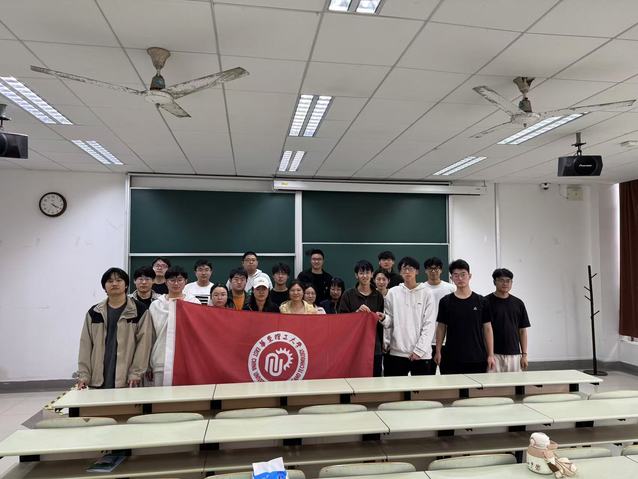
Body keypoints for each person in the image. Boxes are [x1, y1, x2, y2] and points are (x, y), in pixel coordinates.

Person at [77, 267, 152, 389]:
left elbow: (144, 344)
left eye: (119, 280)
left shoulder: (139, 310)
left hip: (127, 378)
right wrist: (84, 375)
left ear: (126, 285)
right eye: (110, 281)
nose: (114, 284)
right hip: (98, 376)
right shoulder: (94, 312)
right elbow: (85, 345)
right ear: (104, 287)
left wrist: (136, 373)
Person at [434, 259, 496, 374]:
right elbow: (441, 328)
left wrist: (491, 355)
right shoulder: (445, 301)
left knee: (477, 386)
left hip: (477, 357)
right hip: (451, 358)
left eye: (463, 274)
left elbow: (487, 328)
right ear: (451, 278)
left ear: (469, 276)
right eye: (456, 275)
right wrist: (438, 351)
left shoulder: (482, 301)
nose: (460, 278)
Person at [381, 257, 436, 377]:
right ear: (400, 272)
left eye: (410, 269)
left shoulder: (427, 293)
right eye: (404, 269)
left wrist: (419, 350)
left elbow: (429, 324)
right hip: (397, 352)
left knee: (421, 388)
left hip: (422, 354)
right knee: (396, 387)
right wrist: (384, 319)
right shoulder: (393, 293)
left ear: (417, 271)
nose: (407, 272)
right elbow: (390, 322)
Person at [148, 266, 199, 386]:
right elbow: (150, 336)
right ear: (166, 282)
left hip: (187, 359)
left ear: (186, 281)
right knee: (160, 396)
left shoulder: (194, 303)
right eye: (172, 280)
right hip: (160, 359)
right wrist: (147, 364)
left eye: (180, 280)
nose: (176, 283)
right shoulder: (156, 305)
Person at [339, 260, 385, 376]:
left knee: (375, 379)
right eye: (361, 273)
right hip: (354, 346)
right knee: (355, 379)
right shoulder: (348, 295)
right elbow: (341, 321)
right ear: (356, 275)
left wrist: (383, 342)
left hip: (374, 347)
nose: (364, 276)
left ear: (372, 274)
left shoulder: (378, 296)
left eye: (367, 273)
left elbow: (381, 322)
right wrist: (357, 314)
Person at [486, 268, 530, 372]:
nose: (505, 283)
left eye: (508, 281)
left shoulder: (518, 303)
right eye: (501, 280)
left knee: (515, 382)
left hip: (514, 354)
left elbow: (522, 331)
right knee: (491, 382)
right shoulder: (486, 302)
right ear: (494, 282)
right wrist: (489, 354)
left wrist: (524, 355)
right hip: (493, 354)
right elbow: (484, 329)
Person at [422, 257, 456, 373]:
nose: (433, 271)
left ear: (441, 270)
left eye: (436, 268)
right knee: (427, 377)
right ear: (425, 271)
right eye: (430, 269)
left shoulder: (451, 288)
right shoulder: (421, 289)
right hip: (426, 341)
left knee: (448, 376)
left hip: (447, 341)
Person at [373, 269, 392, 355]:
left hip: (392, 342)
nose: (381, 282)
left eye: (384, 279)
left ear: (389, 280)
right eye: (378, 279)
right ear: (374, 280)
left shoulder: (394, 295)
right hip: (375, 340)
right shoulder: (370, 295)